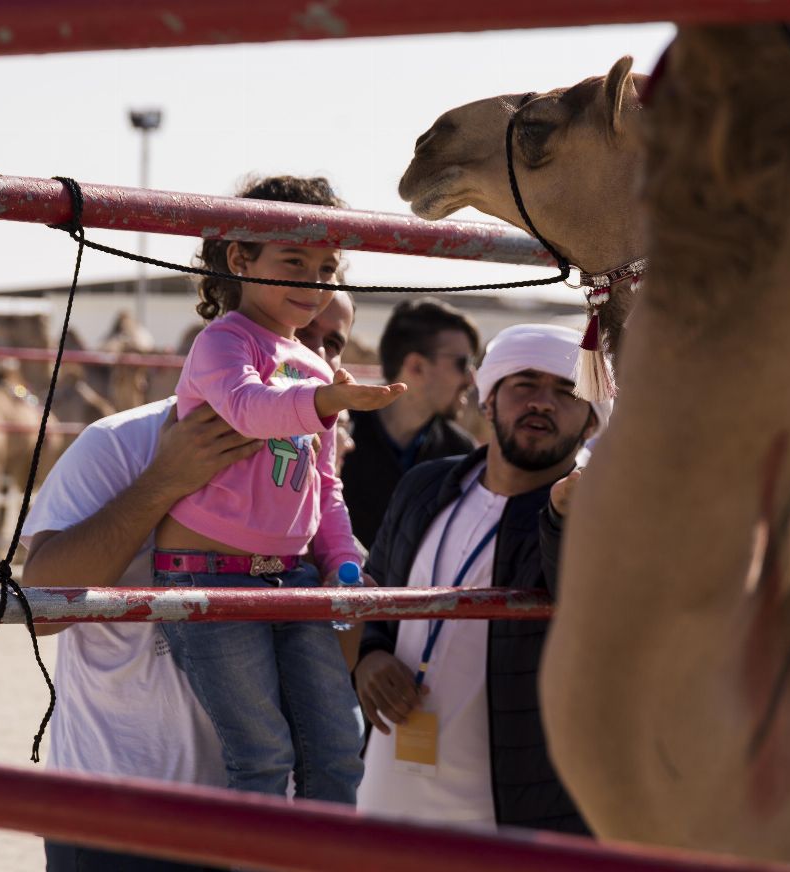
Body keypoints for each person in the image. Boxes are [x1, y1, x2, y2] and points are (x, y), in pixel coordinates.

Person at [22, 293, 358, 872]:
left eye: (330, 344)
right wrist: (163, 482)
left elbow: (339, 657)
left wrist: (334, 568)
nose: (309, 354)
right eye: (296, 333)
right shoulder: (119, 442)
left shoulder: (309, 479)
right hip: (116, 811)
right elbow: (41, 607)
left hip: (243, 821)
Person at [152, 175, 405, 805]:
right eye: (294, 262)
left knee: (338, 752)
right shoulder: (223, 343)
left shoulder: (315, 367)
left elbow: (324, 483)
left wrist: (344, 560)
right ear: (240, 260)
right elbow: (247, 409)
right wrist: (327, 399)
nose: (313, 282)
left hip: (291, 576)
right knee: (263, 759)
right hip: (207, 575)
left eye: (326, 267)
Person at [354, 323, 611, 834]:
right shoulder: (428, 484)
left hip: (510, 820)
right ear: (489, 401)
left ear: (589, 424)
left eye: (567, 392)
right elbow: (374, 590)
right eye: (523, 384)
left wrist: (564, 518)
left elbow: (578, 606)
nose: (542, 403)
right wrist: (369, 657)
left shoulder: (597, 513)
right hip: (386, 793)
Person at [342, 297, 480, 549]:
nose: (472, 378)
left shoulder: (461, 453)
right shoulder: (339, 431)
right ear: (416, 366)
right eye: (463, 363)